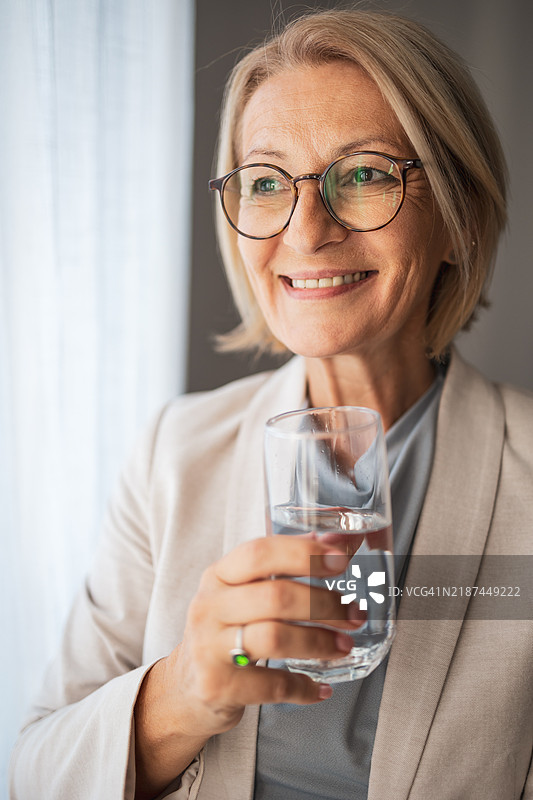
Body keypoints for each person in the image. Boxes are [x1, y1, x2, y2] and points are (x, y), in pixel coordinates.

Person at [9, 7, 533, 800]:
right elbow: (36, 768)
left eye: (362, 173)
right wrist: (182, 696)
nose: (306, 229)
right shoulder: (173, 453)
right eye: (264, 182)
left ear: (456, 216)